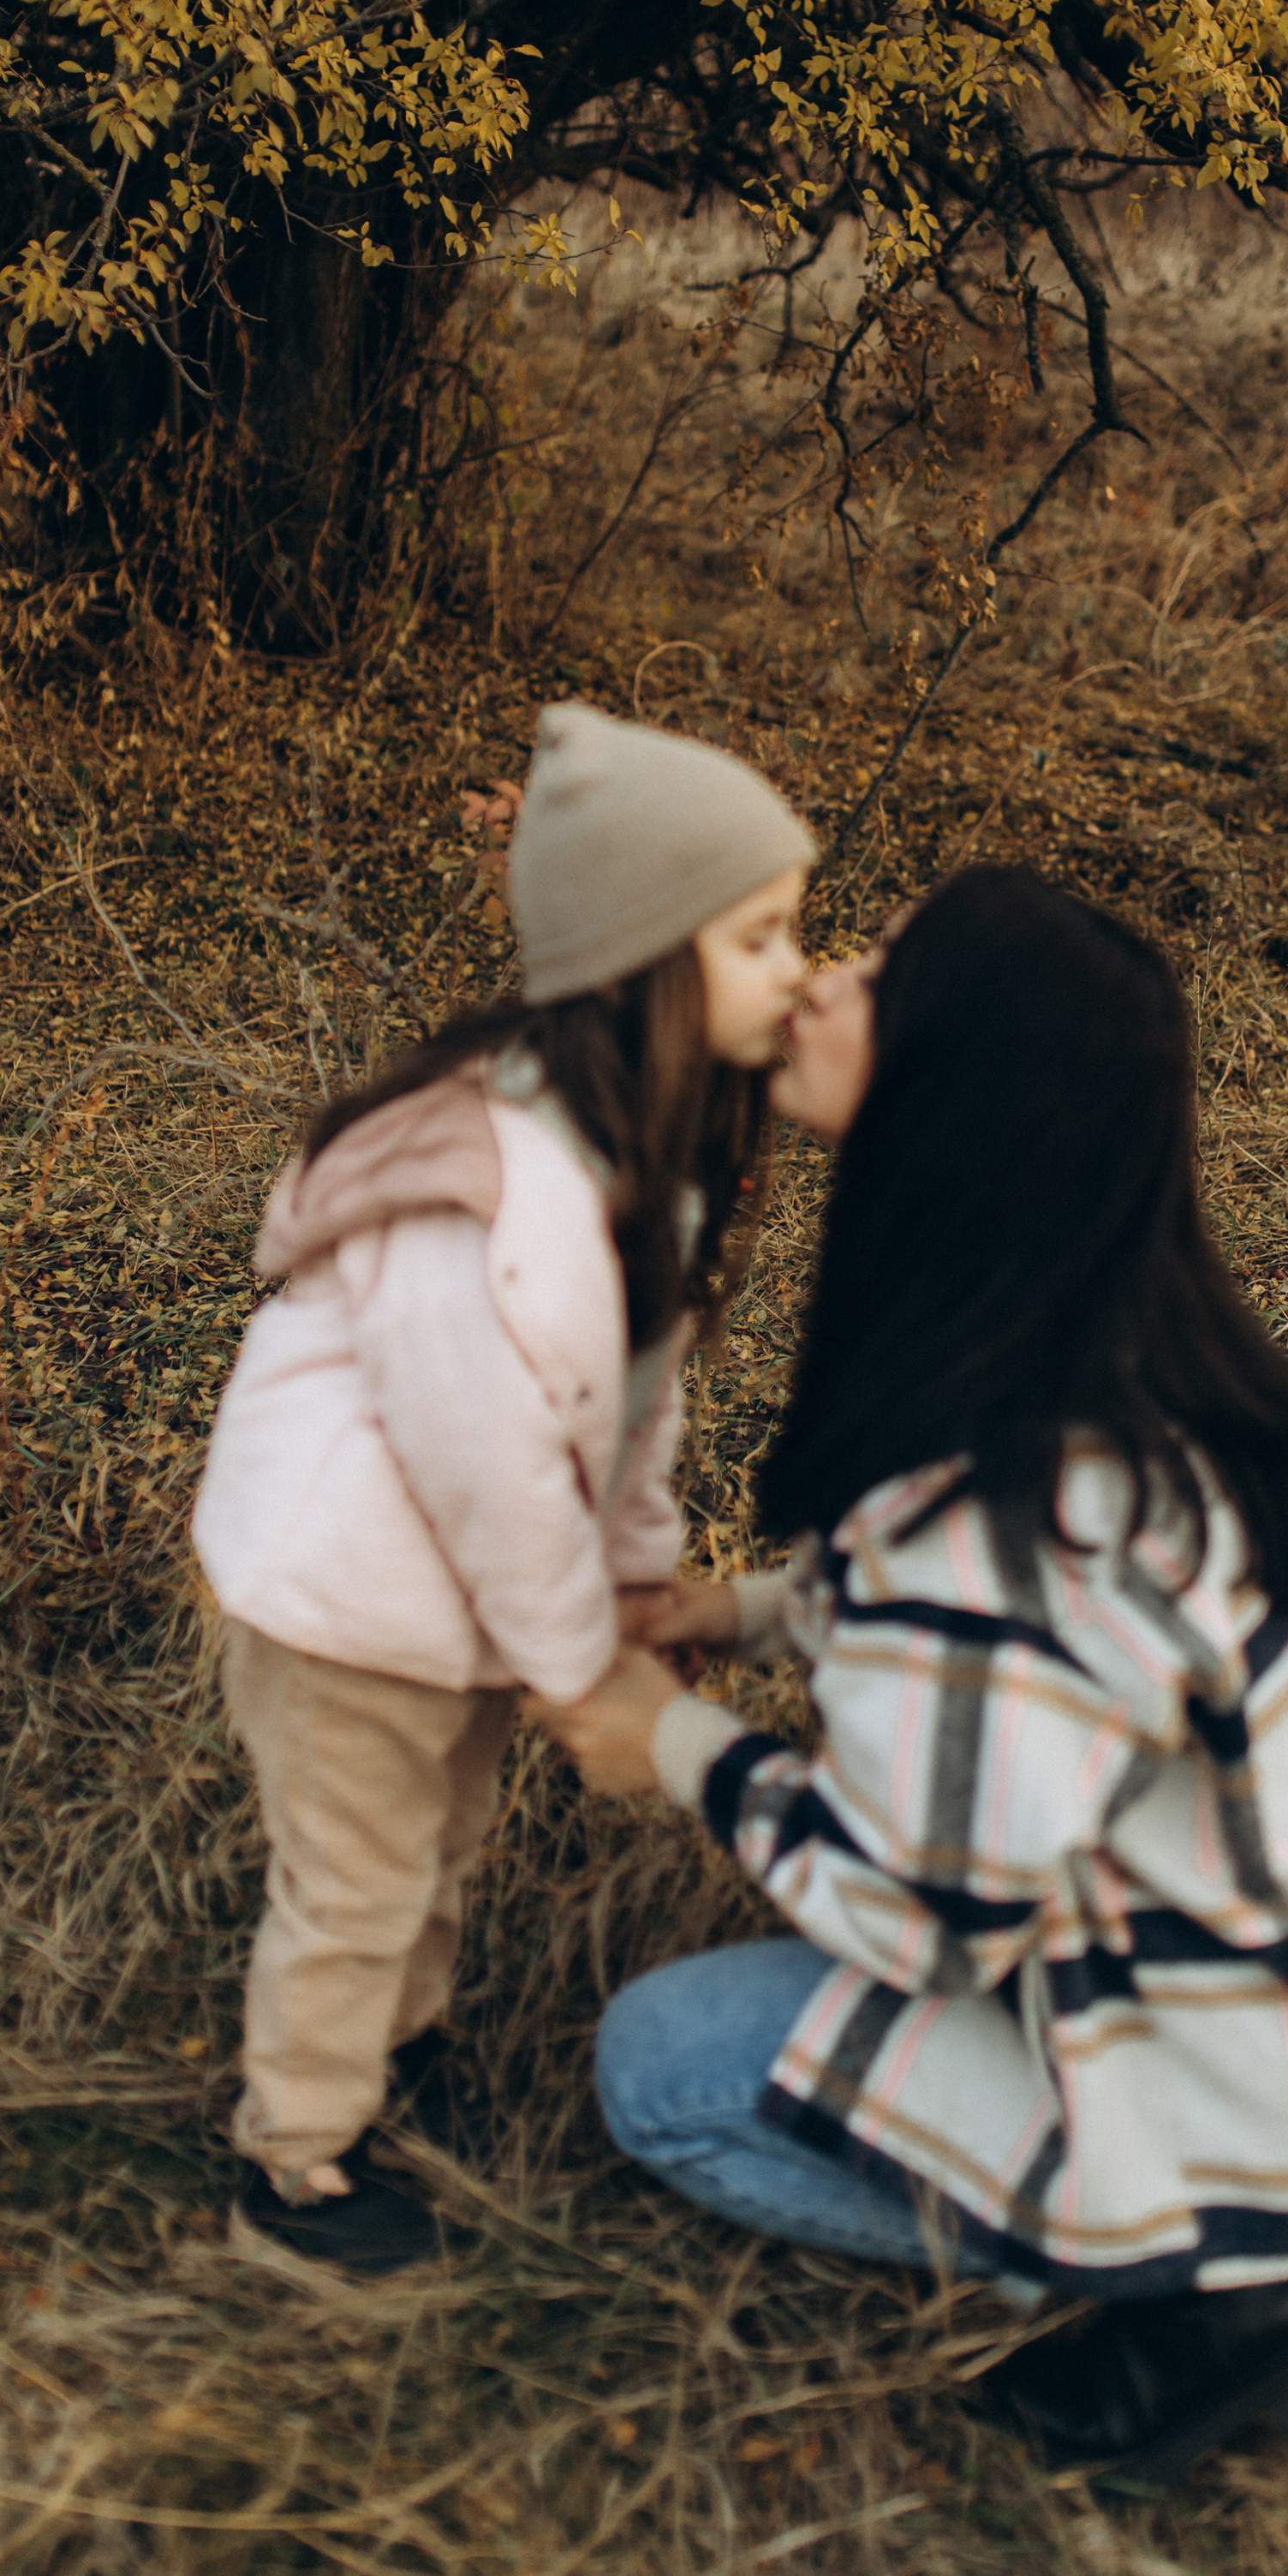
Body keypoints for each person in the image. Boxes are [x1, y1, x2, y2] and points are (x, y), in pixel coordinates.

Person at [535, 869, 1288, 2492]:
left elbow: (925, 1916)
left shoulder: (1001, 1518)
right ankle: (1211, 2231)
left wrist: (676, 1743)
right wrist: (759, 1614)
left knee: (666, 2069)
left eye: (884, 976)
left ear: (959, 1088)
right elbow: (1040, 1658)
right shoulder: (1141, 1355)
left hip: (1256, 2092)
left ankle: (1197, 2290)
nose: (825, 983)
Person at [191, 702, 811, 2281]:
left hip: (458, 1604)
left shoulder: (638, 1154)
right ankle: (297, 2161)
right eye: (760, 937)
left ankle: (392, 2055)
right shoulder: (479, 1191)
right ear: (645, 962)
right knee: (359, 1877)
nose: (798, 970)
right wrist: (567, 1654)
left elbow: (625, 1422)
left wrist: (627, 1591)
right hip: (349, 1599)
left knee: (440, 1841)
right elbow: (485, 1471)